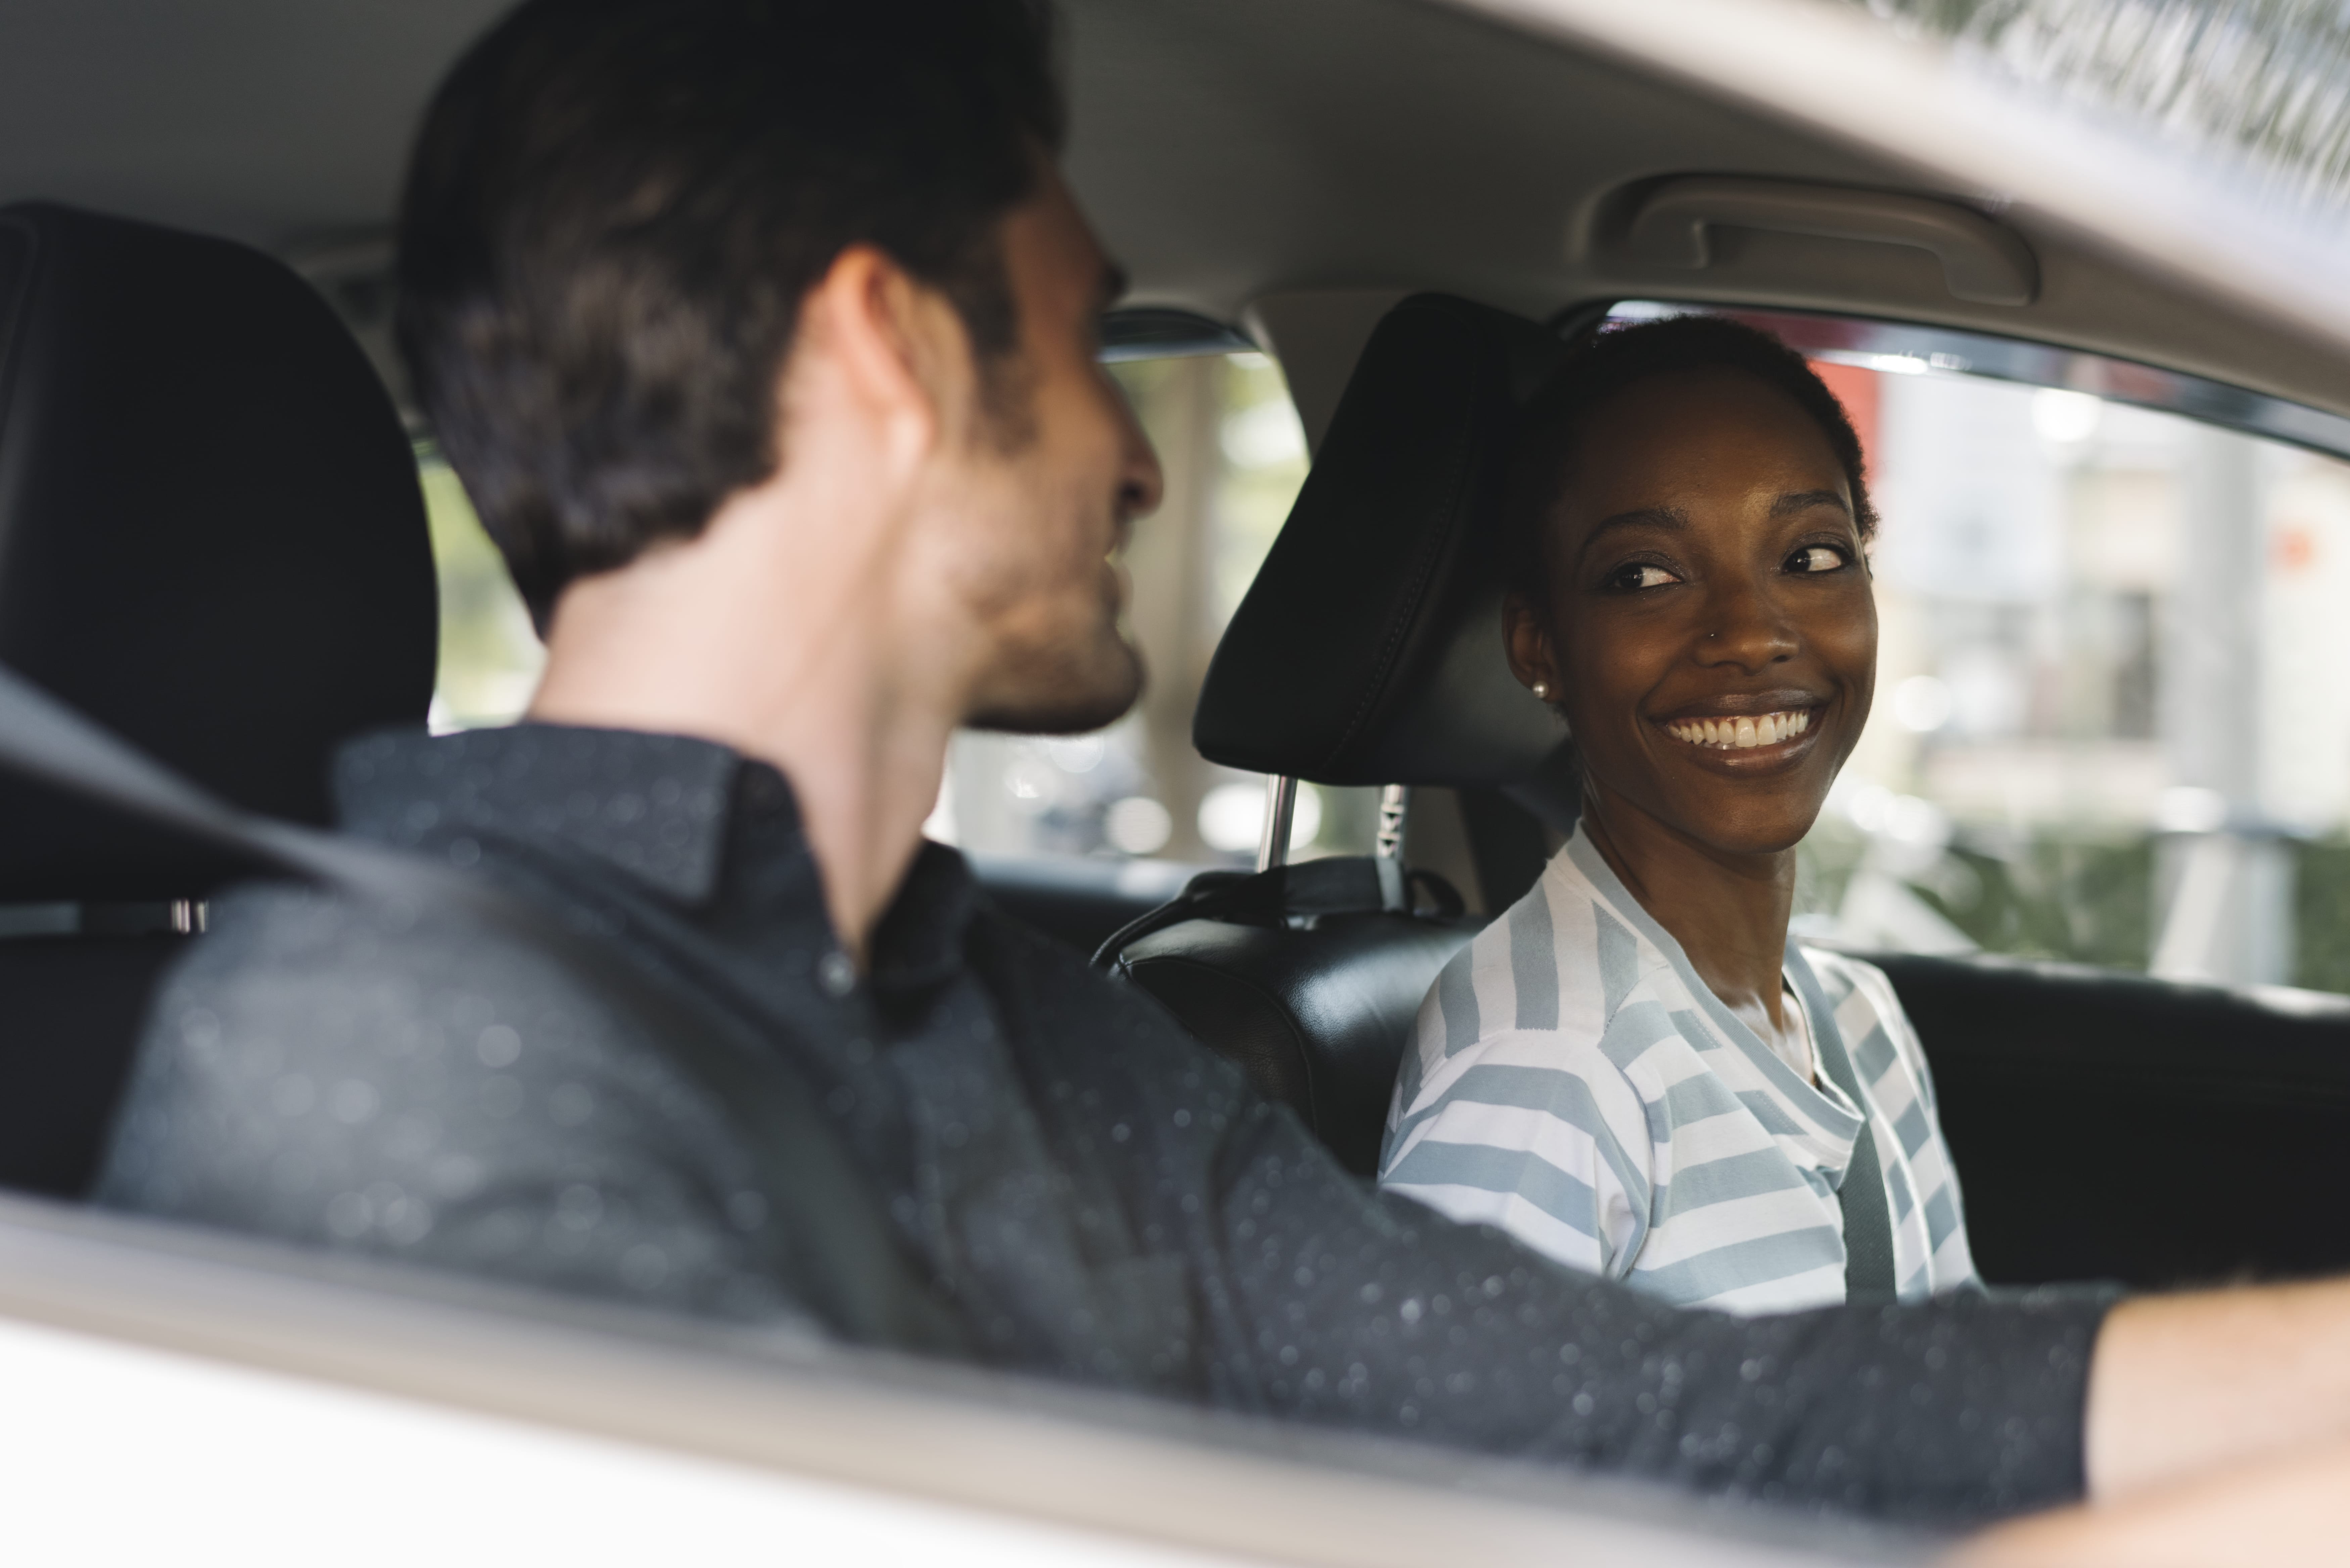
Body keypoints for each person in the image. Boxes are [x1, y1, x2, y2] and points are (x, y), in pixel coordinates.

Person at [85, 0, 2350, 1537]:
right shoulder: (385, 1070)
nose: (1136, 472)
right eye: (1080, 342)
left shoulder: (1010, 1024)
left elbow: (1674, 1410)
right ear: (892, 355)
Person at [1380, 317, 1979, 1315]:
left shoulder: (1862, 1021)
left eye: (1814, 556)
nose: (1750, 634)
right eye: (1645, 576)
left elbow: (1971, 1402)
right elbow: (1434, 1465)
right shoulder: (1548, 1071)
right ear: (1540, 648)